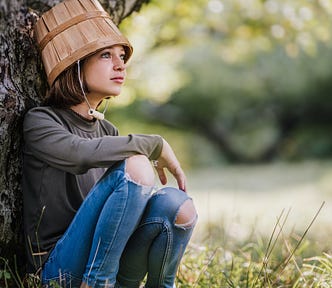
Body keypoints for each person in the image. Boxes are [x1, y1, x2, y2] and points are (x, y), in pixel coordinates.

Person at [22, 0, 197, 287]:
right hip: (58, 271)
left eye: (121, 56)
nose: (120, 65)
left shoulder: (107, 129)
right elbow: (78, 154)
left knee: (179, 206)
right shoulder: (40, 121)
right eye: (105, 55)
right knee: (138, 164)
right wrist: (154, 144)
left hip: (106, 260)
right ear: (75, 64)